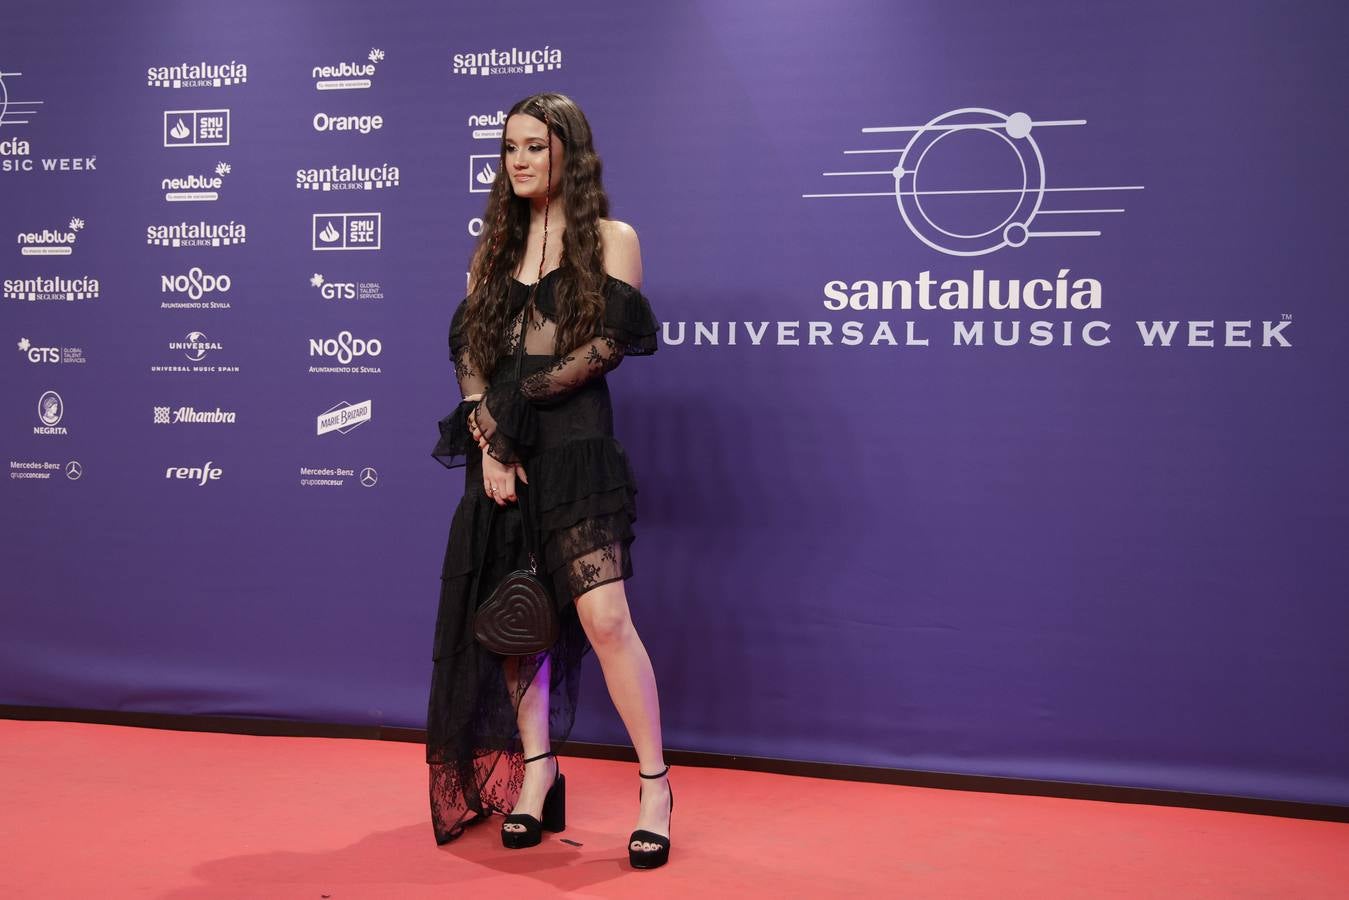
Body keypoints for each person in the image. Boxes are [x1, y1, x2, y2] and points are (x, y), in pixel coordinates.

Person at [427, 92, 673, 870]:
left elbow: (606, 345)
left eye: (535, 145)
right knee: (514, 621)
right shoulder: (492, 247)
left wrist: (520, 406)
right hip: (499, 449)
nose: (520, 161)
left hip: (572, 443)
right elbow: (471, 351)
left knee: (604, 620)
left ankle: (656, 787)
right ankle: (537, 776)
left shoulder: (610, 237)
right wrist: (489, 436)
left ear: (569, 150)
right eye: (509, 148)